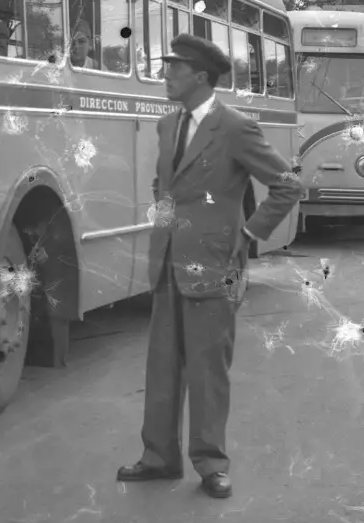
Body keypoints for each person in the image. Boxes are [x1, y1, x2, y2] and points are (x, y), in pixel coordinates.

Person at [116, 33, 302, 499]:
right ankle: (158, 457)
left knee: (207, 370)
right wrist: (162, 232)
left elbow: (287, 184)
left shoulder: (234, 127)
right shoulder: (166, 125)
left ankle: (211, 463)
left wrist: (248, 234)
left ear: (200, 76)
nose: (166, 75)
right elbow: (164, 188)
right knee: (161, 366)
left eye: (174, 68)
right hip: (168, 263)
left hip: (214, 264)